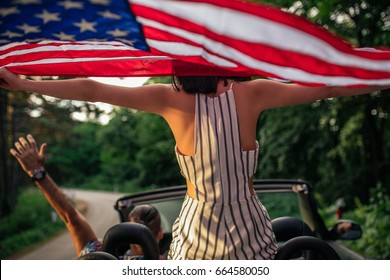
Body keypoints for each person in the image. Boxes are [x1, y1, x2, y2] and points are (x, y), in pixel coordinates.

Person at [2, 68, 388, 260]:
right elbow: (330, 86)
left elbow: (91, 89)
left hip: (193, 240)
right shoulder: (253, 93)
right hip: (251, 235)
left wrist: (22, 82)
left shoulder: (169, 99)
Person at [9, 134, 162, 259]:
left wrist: (37, 172)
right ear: (160, 234)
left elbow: (71, 216)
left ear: (128, 235)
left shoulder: (98, 256)